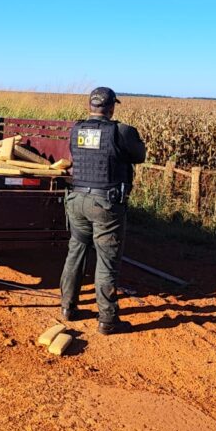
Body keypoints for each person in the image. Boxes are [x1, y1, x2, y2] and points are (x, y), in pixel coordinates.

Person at [59, 86, 147, 335]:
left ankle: (68, 307)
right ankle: (107, 319)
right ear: (111, 108)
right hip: (105, 204)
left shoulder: (76, 129)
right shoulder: (121, 131)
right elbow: (139, 156)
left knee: (76, 251)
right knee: (107, 260)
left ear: (90, 106)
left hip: (76, 199)